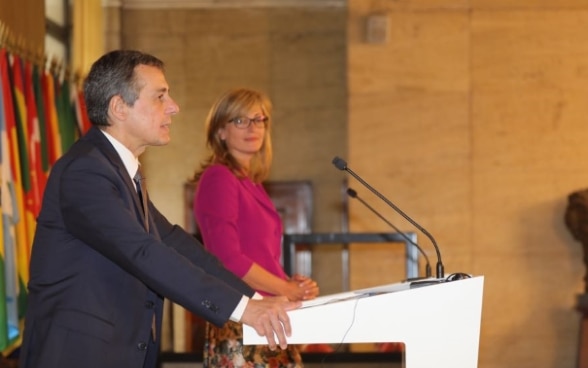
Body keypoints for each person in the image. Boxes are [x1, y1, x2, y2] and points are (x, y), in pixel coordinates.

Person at [18, 50, 300, 368]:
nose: (174, 107)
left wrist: (254, 298)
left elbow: (174, 243)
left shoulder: (119, 171)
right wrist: (244, 309)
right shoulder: (85, 171)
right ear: (119, 107)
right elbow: (144, 252)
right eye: (160, 97)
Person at [192, 88, 320, 368]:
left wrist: (292, 284)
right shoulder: (219, 178)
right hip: (243, 319)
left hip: (267, 318)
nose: (253, 127)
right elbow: (229, 261)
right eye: (240, 120)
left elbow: (260, 255)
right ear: (220, 132)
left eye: (258, 119)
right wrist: (286, 288)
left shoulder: (249, 182)